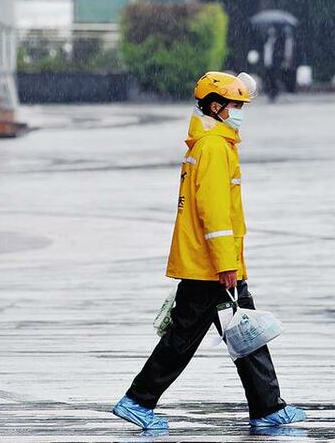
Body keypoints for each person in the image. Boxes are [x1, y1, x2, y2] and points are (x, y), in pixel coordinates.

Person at [112, 71, 306, 430]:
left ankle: (267, 408)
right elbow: (214, 213)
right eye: (235, 105)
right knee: (201, 337)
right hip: (212, 267)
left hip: (210, 265)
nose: (240, 111)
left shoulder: (213, 143)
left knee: (242, 333)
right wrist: (226, 265)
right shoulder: (215, 147)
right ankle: (138, 400)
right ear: (216, 107)